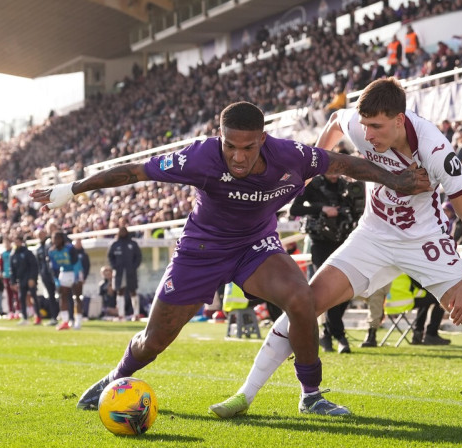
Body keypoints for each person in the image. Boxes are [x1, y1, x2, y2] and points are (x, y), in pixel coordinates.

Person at [31, 101, 430, 416]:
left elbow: (344, 164)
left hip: (255, 246)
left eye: (248, 147)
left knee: (301, 298)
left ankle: (311, 394)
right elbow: (135, 172)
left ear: (263, 140)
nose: (238, 157)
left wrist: (396, 179)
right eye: (230, 147)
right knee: (154, 341)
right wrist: (73, 188)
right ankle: (116, 378)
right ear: (219, 139)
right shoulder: (198, 157)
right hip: (201, 251)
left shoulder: (291, 156)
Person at [209, 80, 462, 419]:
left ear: (399, 120)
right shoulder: (362, 125)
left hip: (425, 241)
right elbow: (334, 120)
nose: (367, 135)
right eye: (365, 127)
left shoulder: (435, 148)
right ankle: (246, 394)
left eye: (376, 127)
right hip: (372, 236)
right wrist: (309, 174)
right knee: (305, 305)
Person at [290, 173, 363, 354]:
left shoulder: (346, 185)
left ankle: (328, 334)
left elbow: (357, 210)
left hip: (343, 240)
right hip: (320, 242)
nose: (334, 174)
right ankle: (340, 336)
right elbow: (295, 209)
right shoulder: (313, 184)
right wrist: (322, 208)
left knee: (345, 289)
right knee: (328, 289)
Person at [108, 222, 142, 320]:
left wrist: (133, 267)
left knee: (133, 291)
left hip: (130, 272)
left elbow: (138, 257)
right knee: (120, 292)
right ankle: (121, 315)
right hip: (119, 272)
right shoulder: (114, 244)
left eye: (124, 231)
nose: (122, 233)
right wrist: (114, 266)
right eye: (121, 231)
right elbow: (110, 257)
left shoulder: (132, 244)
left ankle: (136, 314)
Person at [49, 231, 82, 330]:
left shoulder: (70, 248)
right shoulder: (51, 251)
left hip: (75, 271)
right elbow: (54, 268)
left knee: (77, 297)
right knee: (63, 296)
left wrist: (76, 277)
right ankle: (65, 321)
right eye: (54, 238)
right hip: (64, 272)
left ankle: (78, 321)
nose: (56, 241)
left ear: (62, 239)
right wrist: (56, 280)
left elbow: (76, 262)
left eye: (58, 238)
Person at [10, 234, 40, 325]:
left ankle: (38, 316)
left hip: (29, 279)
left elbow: (34, 266)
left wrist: (32, 278)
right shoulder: (13, 254)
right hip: (21, 279)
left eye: (18, 241)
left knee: (34, 297)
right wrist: (13, 282)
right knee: (21, 298)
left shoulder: (27, 252)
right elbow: (12, 270)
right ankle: (25, 318)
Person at [36, 229, 58, 325]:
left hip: (55, 273)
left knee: (63, 294)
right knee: (51, 296)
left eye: (42, 233)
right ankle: (54, 317)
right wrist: (41, 273)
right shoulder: (38, 248)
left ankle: (68, 316)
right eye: (39, 234)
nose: (41, 236)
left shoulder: (51, 243)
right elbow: (39, 263)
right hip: (45, 275)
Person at [0, 237, 19, 319]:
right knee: (9, 294)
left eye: (8, 242)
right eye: (5, 243)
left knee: (16, 294)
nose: (6, 244)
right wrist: (0, 272)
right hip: (6, 276)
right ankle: (10, 311)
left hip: (14, 276)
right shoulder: (3, 254)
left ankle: (18, 310)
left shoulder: (14, 252)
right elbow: (0, 265)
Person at [73, 238, 91, 321]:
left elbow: (87, 267)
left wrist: (84, 277)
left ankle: (80, 314)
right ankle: (72, 314)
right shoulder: (71, 254)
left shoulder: (84, 255)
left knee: (78, 296)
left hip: (80, 278)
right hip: (71, 277)